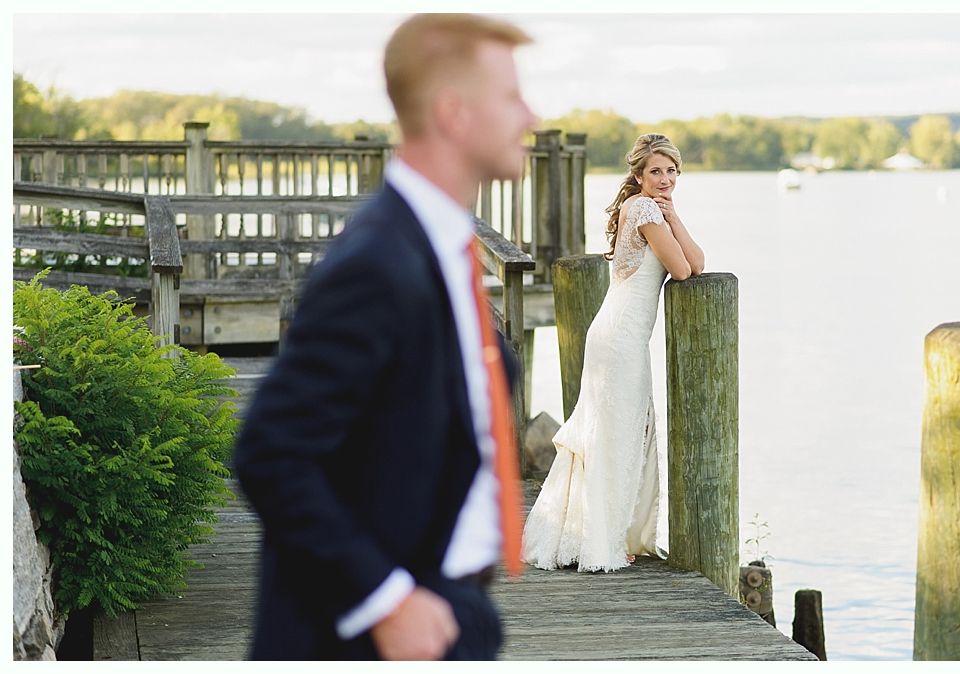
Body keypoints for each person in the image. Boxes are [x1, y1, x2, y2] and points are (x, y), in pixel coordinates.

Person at [234, 14, 537, 660]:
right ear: (453, 113)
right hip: (365, 636)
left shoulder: (441, 246)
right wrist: (385, 599)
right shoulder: (376, 263)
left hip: (453, 603)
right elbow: (269, 452)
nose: (530, 115)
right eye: (511, 96)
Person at [522, 134, 705, 573]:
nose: (665, 179)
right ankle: (600, 539)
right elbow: (681, 270)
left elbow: (698, 263)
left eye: (672, 171)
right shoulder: (642, 209)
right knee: (614, 434)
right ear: (639, 176)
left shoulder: (656, 210)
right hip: (619, 337)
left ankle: (610, 532)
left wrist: (675, 216)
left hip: (620, 336)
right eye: (656, 171)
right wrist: (669, 218)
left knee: (618, 431)